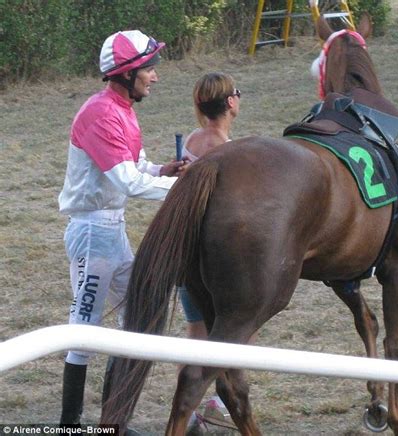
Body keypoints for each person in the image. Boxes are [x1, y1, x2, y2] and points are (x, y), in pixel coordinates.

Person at [57, 30, 186, 426]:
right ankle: (69, 425)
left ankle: (112, 421)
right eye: (150, 68)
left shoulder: (123, 110)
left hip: (111, 230)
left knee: (137, 318)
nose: (155, 76)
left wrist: (163, 171)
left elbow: (137, 168)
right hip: (94, 234)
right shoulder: (101, 114)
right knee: (84, 329)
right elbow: (127, 182)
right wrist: (184, 186)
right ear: (128, 73)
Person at [178, 72, 241, 433]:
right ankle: (217, 403)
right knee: (236, 333)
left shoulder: (191, 140)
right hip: (216, 259)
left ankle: (188, 414)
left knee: (195, 336)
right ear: (230, 103)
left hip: (187, 254)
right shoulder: (227, 150)